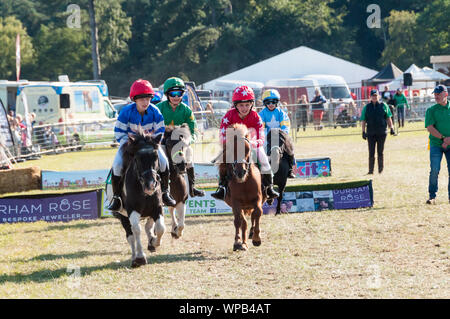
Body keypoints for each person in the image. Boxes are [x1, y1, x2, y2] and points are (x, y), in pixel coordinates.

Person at [108, 79, 176, 211]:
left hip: (150, 146)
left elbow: (160, 131)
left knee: (164, 162)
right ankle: (116, 197)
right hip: (129, 146)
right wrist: (131, 146)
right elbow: (119, 133)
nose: (145, 102)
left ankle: (165, 192)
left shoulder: (155, 111)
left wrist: (153, 144)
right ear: (135, 99)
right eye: (141, 99)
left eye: (148, 99)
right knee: (117, 165)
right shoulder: (125, 112)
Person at [211, 85, 280, 201]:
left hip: (252, 146)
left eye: (247, 105)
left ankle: (269, 188)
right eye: (241, 105)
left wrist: (255, 143)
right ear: (236, 105)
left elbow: (261, 134)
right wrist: (229, 144)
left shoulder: (255, 116)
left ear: (251, 104)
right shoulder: (229, 116)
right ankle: (222, 188)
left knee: (264, 160)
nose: (244, 108)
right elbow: (222, 134)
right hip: (233, 147)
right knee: (223, 161)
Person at [156, 77, 205, 197]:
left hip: (180, 142)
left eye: (179, 93)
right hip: (162, 141)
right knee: (160, 160)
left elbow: (194, 131)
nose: (176, 96)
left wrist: (187, 141)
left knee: (189, 154)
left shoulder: (187, 110)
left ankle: (192, 187)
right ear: (167, 94)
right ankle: (161, 188)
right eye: (173, 93)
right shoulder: (158, 108)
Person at [258, 89, 296, 178]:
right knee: (260, 148)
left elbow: (285, 126)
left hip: (280, 135)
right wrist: (268, 135)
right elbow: (261, 128)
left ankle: (290, 169)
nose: (271, 104)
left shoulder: (281, 113)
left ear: (277, 102)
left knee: (290, 146)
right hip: (267, 136)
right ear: (265, 103)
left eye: (273, 102)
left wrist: (280, 134)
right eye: (268, 102)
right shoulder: (261, 114)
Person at [424, 85, 450, 205]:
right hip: (436, 144)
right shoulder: (431, 110)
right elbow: (430, 128)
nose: (436, 96)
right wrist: (444, 139)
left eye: (439, 94)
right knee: (434, 170)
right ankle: (432, 196)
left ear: (446, 94)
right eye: (435, 94)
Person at [360, 89, 395, 174]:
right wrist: (363, 131)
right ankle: (370, 170)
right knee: (371, 152)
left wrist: (392, 128)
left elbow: (388, 117)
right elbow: (363, 120)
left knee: (380, 152)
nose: (374, 97)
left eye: (376, 96)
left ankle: (380, 170)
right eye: (373, 96)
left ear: (378, 96)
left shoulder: (384, 105)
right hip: (371, 133)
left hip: (382, 132)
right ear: (370, 97)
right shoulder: (367, 107)